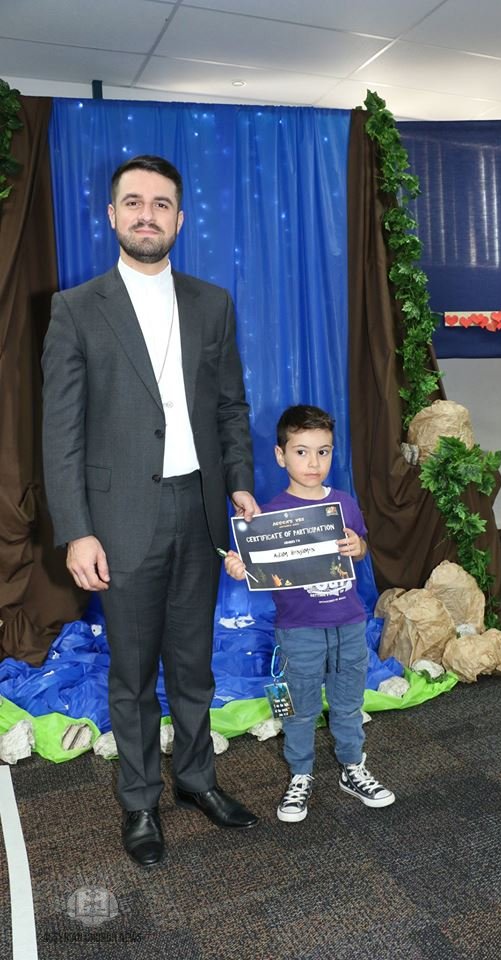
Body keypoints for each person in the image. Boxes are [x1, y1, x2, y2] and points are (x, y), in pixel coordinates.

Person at [42, 155, 260, 868]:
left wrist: (240, 483)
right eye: (133, 202)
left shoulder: (212, 303)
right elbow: (61, 433)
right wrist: (77, 530)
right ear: (112, 215)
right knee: (132, 674)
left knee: (193, 665)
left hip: (198, 511)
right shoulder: (76, 308)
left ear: (180, 218)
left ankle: (197, 779)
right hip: (120, 520)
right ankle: (139, 801)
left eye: (160, 204)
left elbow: (230, 407)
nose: (146, 214)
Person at [225, 405, 395, 822]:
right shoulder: (266, 517)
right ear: (281, 455)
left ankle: (352, 766)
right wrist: (238, 565)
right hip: (298, 629)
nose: (313, 463)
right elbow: (252, 567)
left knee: (348, 702)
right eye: (301, 452)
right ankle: (300, 774)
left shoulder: (344, 503)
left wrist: (358, 547)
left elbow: (361, 550)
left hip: (349, 624)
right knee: (299, 708)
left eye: (323, 451)